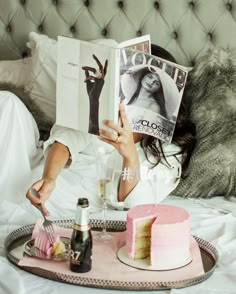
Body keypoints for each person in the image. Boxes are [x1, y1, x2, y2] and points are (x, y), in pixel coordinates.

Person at [24, 45, 196, 217]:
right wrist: (49, 178)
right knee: (7, 101)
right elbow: (65, 140)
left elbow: (135, 203)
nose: (151, 81)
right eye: (150, 75)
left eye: (157, 81)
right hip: (45, 184)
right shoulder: (104, 107)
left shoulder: (169, 146)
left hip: (80, 208)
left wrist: (130, 156)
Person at [81, 54, 108, 135]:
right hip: (98, 80)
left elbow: (102, 68)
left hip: (99, 79)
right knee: (98, 72)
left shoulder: (100, 74)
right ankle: (89, 74)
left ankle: (89, 74)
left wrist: (97, 59)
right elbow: (102, 68)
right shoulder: (100, 74)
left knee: (98, 71)